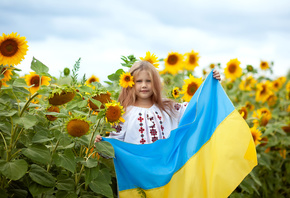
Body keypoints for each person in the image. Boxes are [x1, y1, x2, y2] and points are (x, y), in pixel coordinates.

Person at [95, 61, 221, 144]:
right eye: (139, 81)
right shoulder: (124, 113)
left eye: (148, 81)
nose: (144, 85)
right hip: (139, 172)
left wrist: (212, 85)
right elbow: (115, 144)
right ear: (131, 83)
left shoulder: (168, 108)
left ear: (155, 83)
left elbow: (196, 108)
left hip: (167, 172)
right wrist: (101, 144)